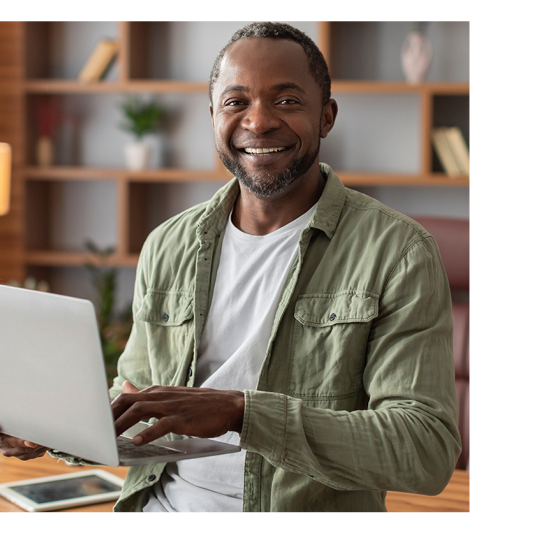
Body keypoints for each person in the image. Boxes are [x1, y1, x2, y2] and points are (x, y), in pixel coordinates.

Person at [0, 22, 461, 512]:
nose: (258, 122)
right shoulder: (168, 244)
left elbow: (424, 449)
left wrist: (240, 412)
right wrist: (51, 429)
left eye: (286, 101)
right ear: (214, 116)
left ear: (326, 117)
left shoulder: (399, 252)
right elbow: (138, 401)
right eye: (236, 101)